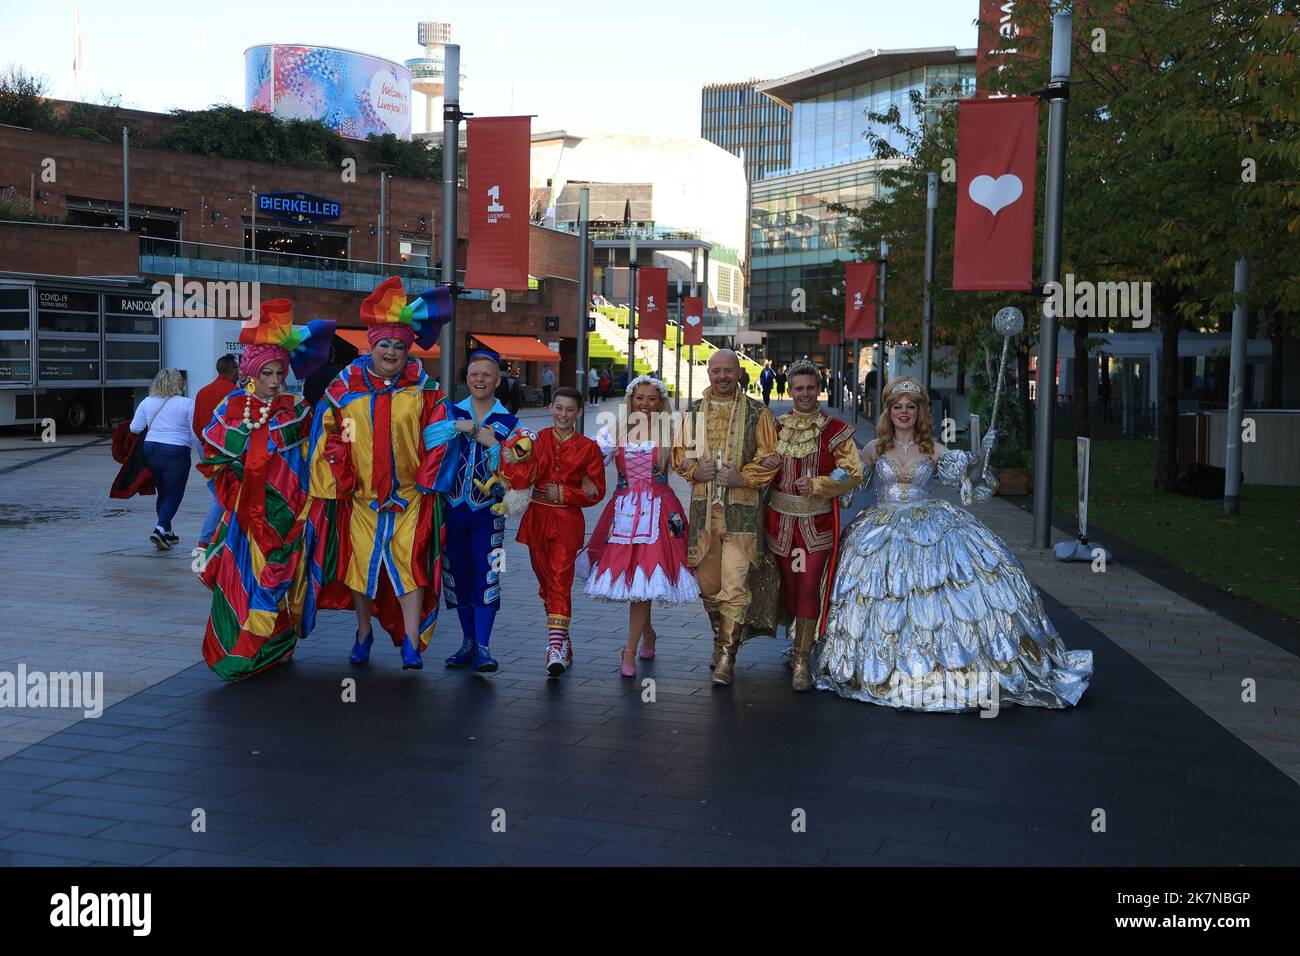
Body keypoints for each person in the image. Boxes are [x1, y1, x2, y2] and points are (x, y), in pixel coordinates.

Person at [814, 376, 1093, 711]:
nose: (904, 412)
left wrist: (982, 454)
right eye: (897, 406)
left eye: (911, 407)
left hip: (931, 527)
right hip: (879, 530)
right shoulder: (875, 447)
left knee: (952, 592)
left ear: (920, 412)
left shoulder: (933, 448)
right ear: (888, 411)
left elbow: (968, 480)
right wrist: (835, 478)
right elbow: (851, 481)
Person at [308, 276, 454, 671]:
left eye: (400, 346)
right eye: (385, 344)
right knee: (362, 566)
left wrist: (427, 481)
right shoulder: (344, 389)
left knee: (410, 563)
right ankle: (363, 633)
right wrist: (341, 468)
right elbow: (328, 433)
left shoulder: (426, 390)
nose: (392, 352)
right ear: (371, 345)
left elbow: (440, 437)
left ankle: (410, 643)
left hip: (410, 497)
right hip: (362, 499)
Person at [196, 301, 334, 680]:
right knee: (246, 581)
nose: (275, 380)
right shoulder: (233, 407)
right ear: (252, 374)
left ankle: (278, 646)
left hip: (292, 512)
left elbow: (319, 452)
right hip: (247, 516)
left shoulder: (298, 409)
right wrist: (238, 493)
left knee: (285, 580)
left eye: (280, 372)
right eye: (267, 373)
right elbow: (214, 460)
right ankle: (244, 648)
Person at [420, 346, 532, 674]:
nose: (479, 379)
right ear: (466, 379)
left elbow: (519, 465)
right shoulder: (452, 412)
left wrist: (494, 445)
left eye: (486, 375)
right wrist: (460, 428)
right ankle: (467, 641)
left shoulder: (508, 422)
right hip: (453, 509)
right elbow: (427, 439)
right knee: (457, 574)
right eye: (474, 374)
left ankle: (483, 646)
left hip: (489, 514)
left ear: (497, 381)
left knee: (488, 573)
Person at [673, 349, 779, 687]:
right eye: (716, 370)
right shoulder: (694, 412)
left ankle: (726, 659)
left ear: (738, 373)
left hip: (742, 515)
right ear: (708, 373)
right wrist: (693, 468)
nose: (722, 376)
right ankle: (720, 641)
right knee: (708, 589)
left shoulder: (757, 412)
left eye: (728, 371)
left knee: (734, 587)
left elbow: (771, 457)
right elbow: (679, 455)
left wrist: (743, 477)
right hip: (704, 513)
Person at [581, 375, 699, 678]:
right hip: (622, 513)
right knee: (635, 583)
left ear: (660, 403)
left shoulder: (670, 433)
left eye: (652, 399)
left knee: (642, 586)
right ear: (631, 400)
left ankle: (629, 649)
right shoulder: (615, 431)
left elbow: (690, 464)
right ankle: (647, 634)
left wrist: (693, 466)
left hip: (659, 513)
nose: (645, 405)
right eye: (640, 398)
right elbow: (588, 463)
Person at [758, 360, 862, 692]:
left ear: (819, 390)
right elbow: (756, 464)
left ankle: (802, 659)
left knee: (809, 585)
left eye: (810, 388)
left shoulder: (835, 430)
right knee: (788, 588)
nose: (805, 394)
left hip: (816, 523)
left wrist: (820, 485)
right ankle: (798, 639)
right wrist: (765, 464)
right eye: (799, 388)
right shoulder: (774, 427)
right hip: (778, 522)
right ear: (790, 390)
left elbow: (852, 474)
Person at [502, 386, 605, 676]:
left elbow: (596, 491)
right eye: (559, 408)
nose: (563, 414)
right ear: (550, 408)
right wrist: (515, 457)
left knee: (560, 580)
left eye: (569, 410)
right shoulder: (535, 440)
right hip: (536, 519)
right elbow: (515, 475)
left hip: (567, 523)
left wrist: (566, 492)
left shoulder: (588, 448)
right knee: (546, 584)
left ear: (579, 413)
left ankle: (554, 647)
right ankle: (563, 638)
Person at [130, 368, 199, 550]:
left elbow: (135, 428)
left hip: (151, 449)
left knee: (163, 492)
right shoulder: (187, 403)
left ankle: (167, 531)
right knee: (174, 494)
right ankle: (160, 529)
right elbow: (195, 432)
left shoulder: (147, 402)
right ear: (179, 384)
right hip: (176, 450)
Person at [192, 354, 239, 549]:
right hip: (226, 451)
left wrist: (206, 443)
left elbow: (195, 424)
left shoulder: (202, 392)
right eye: (237, 368)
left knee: (218, 492)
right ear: (231, 371)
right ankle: (208, 536)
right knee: (223, 495)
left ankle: (217, 534)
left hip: (206, 448)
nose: (239, 372)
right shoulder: (236, 393)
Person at [303, 334, 358, 409]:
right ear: (332, 357)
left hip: (314, 411)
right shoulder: (340, 373)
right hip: (331, 411)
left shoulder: (311, 372)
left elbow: (306, 395)